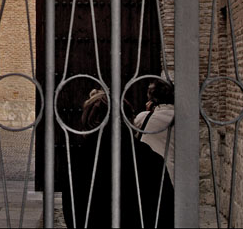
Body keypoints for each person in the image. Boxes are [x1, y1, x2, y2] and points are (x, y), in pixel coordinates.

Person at [60, 87, 174, 227]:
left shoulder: (78, 161)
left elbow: (72, 212)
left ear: (89, 120)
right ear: (128, 119)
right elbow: (166, 212)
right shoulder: (150, 158)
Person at [134, 79, 175, 184]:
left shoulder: (143, 118)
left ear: (151, 99)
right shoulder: (182, 119)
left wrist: (149, 112)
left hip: (148, 172)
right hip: (174, 173)